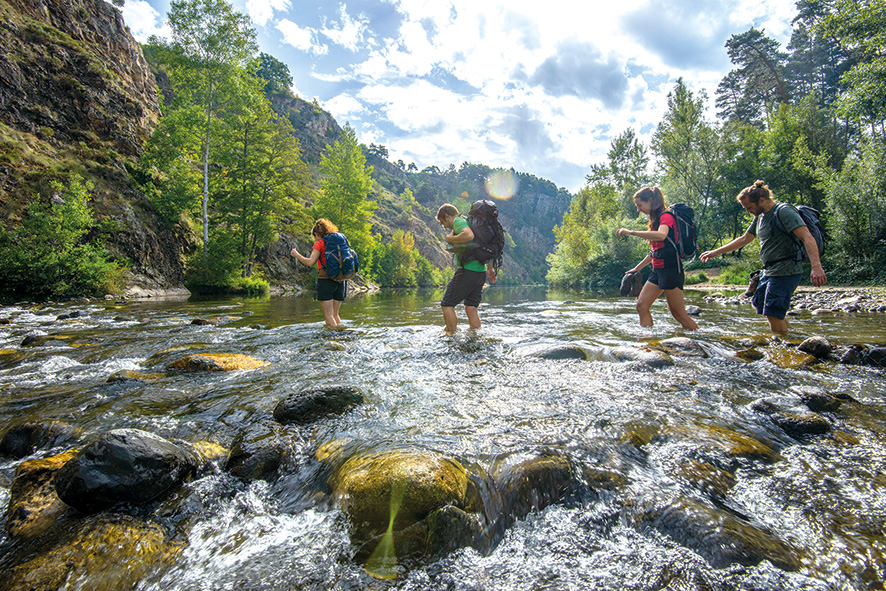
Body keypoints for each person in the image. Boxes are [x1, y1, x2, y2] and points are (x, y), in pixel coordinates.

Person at [700, 180, 826, 333]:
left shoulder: (784, 212)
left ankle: (780, 347)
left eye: (749, 207)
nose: (748, 211)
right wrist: (715, 252)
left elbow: (807, 237)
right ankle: (791, 337)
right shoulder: (760, 216)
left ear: (761, 200)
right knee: (762, 304)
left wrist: (816, 267)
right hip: (770, 270)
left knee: (773, 311)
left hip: (786, 270)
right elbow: (745, 238)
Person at [616, 187, 699, 330]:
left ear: (650, 201)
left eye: (639, 205)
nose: (638, 209)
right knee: (641, 306)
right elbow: (655, 251)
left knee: (679, 314)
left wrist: (632, 232)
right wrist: (637, 269)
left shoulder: (666, 216)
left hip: (671, 269)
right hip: (658, 270)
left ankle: (700, 339)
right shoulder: (655, 220)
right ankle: (649, 340)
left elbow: (661, 235)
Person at [436, 203, 497, 335]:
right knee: (471, 308)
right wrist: (490, 270)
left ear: (447, 216)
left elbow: (468, 236)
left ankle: (451, 336)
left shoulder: (458, 221)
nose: (445, 226)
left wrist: (450, 238)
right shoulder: (471, 223)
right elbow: (485, 247)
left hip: (468, 271)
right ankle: (475, 337)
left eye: (443, 222)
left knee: (447, 304)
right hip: (480, 272)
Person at [290, 218, 346, 328]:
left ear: (316, 234)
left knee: (329, 315)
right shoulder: (338, 243)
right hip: (341, 280)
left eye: (314, 236)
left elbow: (311, 262)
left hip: (326, 281)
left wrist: (297, 255)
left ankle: (332, 340)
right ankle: (341, 337)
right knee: (335, 314)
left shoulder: (319, 244)